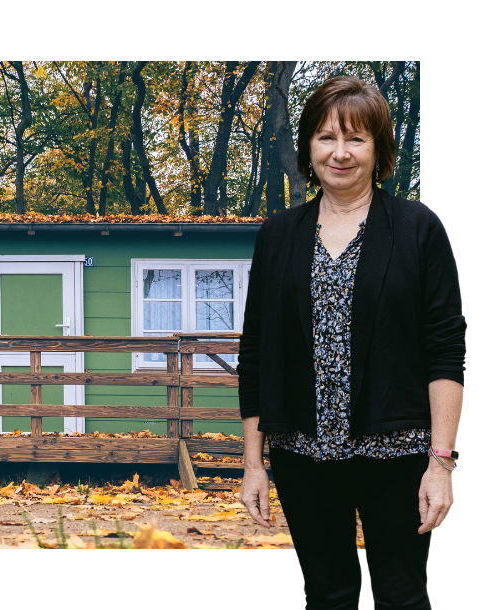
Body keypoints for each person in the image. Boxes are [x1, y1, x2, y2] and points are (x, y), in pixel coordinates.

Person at [236, 75, 465, 610]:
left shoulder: (417, 228)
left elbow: (444, 348)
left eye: (356, 139)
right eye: (325, 137)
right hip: (303, 456)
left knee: (402, 595)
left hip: (398, 455)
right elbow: (257, 355)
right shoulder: (278, 235)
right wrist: (254, 463)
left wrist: (441, 463)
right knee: (328, 595)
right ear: (307, 147)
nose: (339, 153)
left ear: (378, 149)